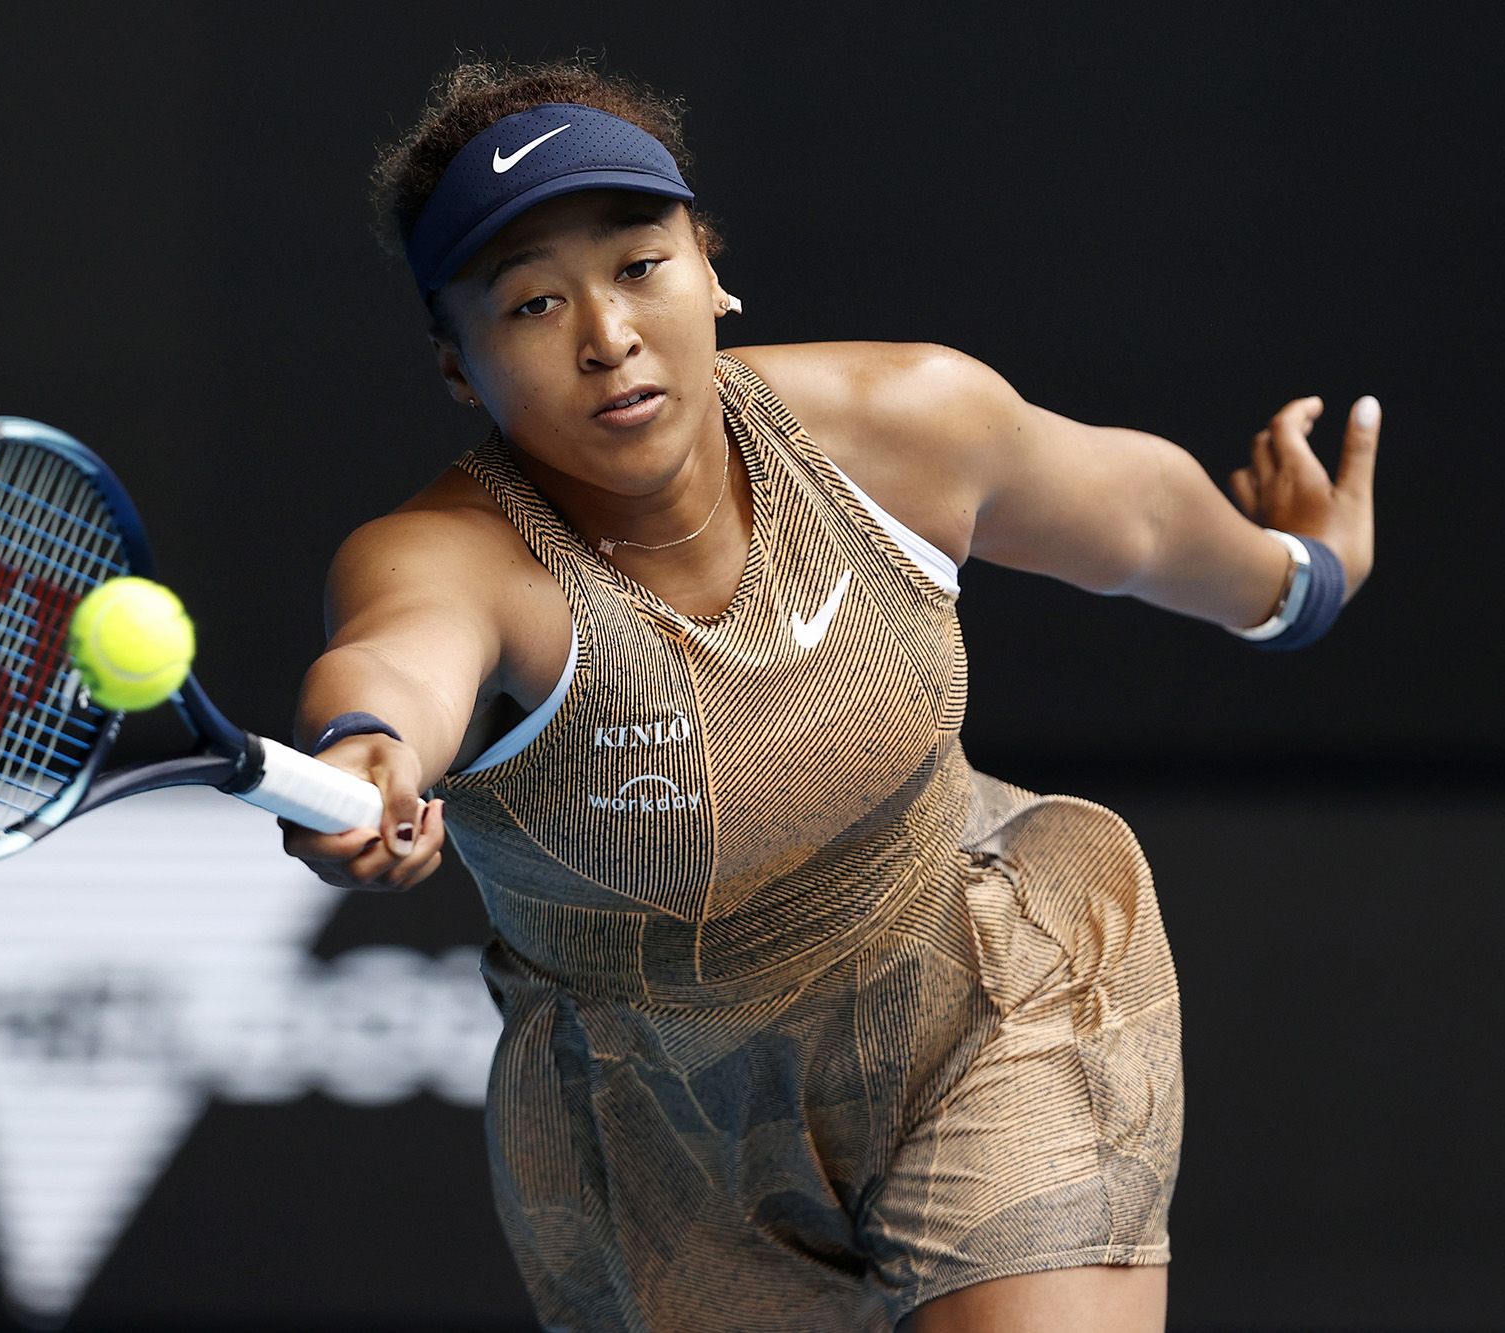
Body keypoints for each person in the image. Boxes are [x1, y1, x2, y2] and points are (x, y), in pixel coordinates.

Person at [284, 57, 1378, 1333]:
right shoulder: (452, 555)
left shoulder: (903, 421)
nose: (607, 336)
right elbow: (391, 659)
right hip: (662, 1145)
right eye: (530, 305)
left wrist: (1303, 575)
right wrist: (364, 751)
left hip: (980, 999)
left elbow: (1138, 518)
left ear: (710, 266)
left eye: (640, 266)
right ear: (458, 367)